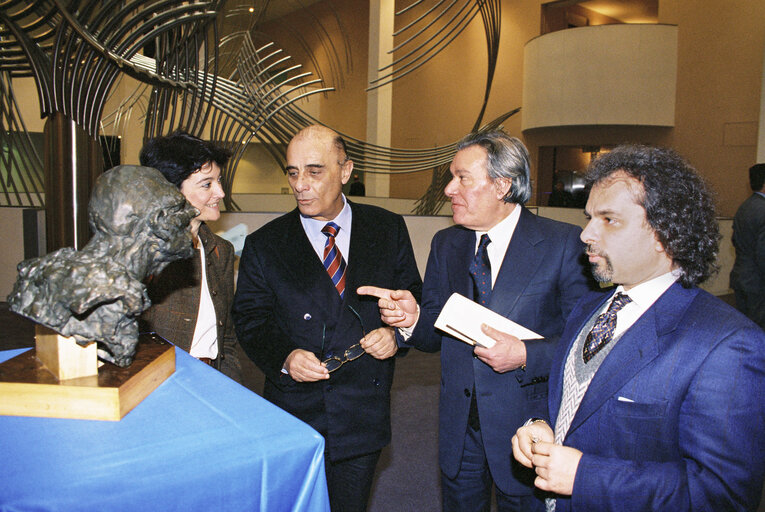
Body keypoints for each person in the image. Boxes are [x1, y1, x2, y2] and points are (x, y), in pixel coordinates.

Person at [512, 145, 765, 512]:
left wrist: (586, 476)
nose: (585, 234)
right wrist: (540, 424)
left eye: (609, 219)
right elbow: (578, 402)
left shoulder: (728, 345)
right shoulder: (589, 305)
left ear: (666, 232)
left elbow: (723, 494)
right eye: (589, 218)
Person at [359, 130, 592, 512]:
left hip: (529, 429)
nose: (450, 189)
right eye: (452, 177)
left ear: (503, 185)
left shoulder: (565, 245)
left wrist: (524, 354)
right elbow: (436, 331)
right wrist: (412, 319)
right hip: (459, 428)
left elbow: (585, 344)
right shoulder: (446, 244)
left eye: (462, 178)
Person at [231, 124, 422, 511]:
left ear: (345, 171)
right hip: (294, 409)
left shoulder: (387, 228)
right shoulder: (265, 244)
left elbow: (412, 296)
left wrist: (395, 332)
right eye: (293, 172)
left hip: (361, 411)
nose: (301, 184)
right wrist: (285, 356)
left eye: (314, 171)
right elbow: (251, 319)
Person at [8, 165, 198, 366]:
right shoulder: (108, 299)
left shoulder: (50, 271)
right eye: (178, 209)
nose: (193, 212)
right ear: (159, 222)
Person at [139, 131, 241, 381]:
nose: (220, 193)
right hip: (157, 386)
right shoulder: (143, 250)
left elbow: (226, 339)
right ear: (171, 191)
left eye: (218, 181)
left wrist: (229, 387)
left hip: (212, 382)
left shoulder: (221, 251)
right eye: (207, 184)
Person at [729, 163, 765, 329]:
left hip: (741, 276)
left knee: (745, 329)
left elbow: (735, 240)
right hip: (758, 282)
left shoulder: (745, 207)